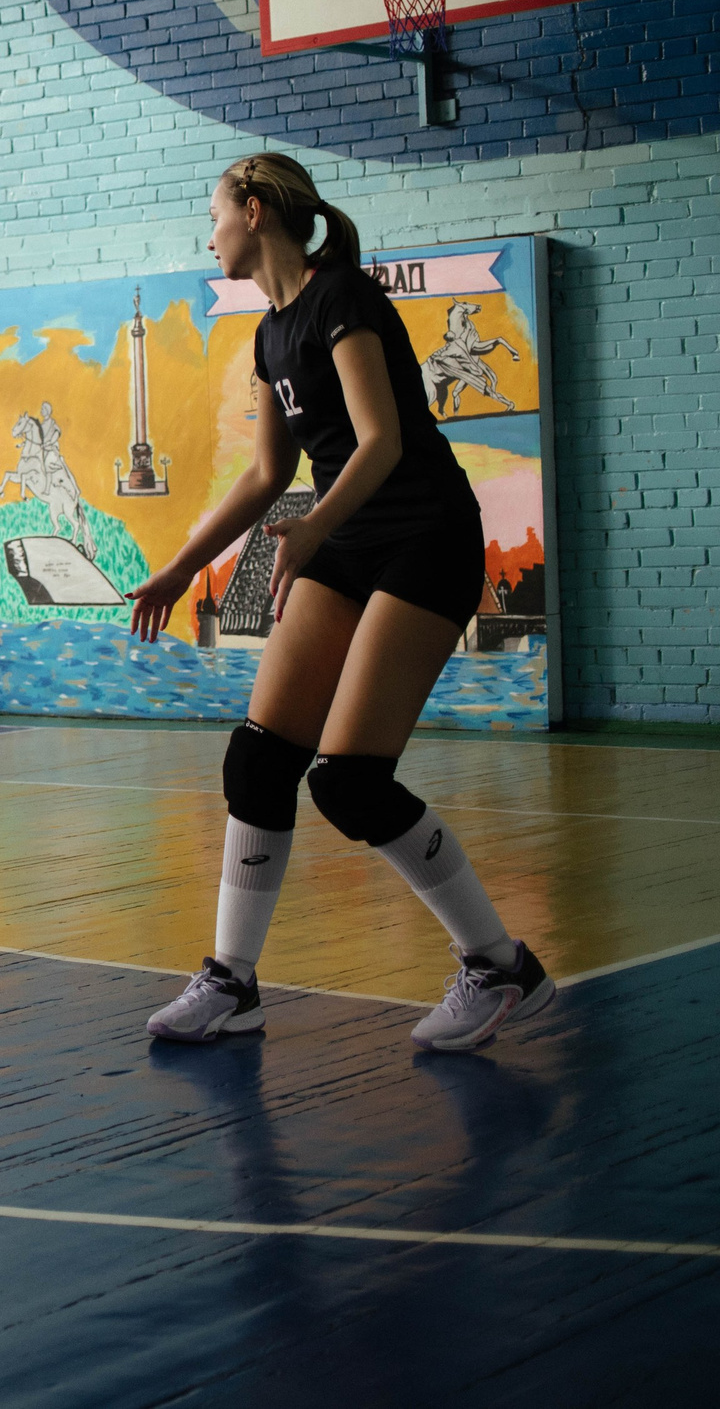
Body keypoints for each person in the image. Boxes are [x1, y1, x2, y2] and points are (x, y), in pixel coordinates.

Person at [128, 153, 549, 1054]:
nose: (208, 234)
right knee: (259, 759)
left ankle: (498, 963)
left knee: (351, 782)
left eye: (213, 215)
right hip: (342, 536)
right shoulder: (270, 334)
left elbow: (384, 439)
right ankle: (232, 983)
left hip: (424, 532)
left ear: (253, 209)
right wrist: (175, 569)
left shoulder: (343, 299)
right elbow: (265, 477)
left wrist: (313, 525)